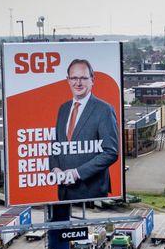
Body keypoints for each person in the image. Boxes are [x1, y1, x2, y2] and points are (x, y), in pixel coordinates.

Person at [49, 59, 120, 201]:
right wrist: (55, 168)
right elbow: (55, 144)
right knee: (61, 224)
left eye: (83, 78)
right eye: (74, 78)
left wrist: (77, 173)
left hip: (91, 192)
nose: (78, 83)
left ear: (92, 80)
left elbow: (111, 152)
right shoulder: (63, 109)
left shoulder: (104, 110)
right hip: (64, 191)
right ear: (68, 80)